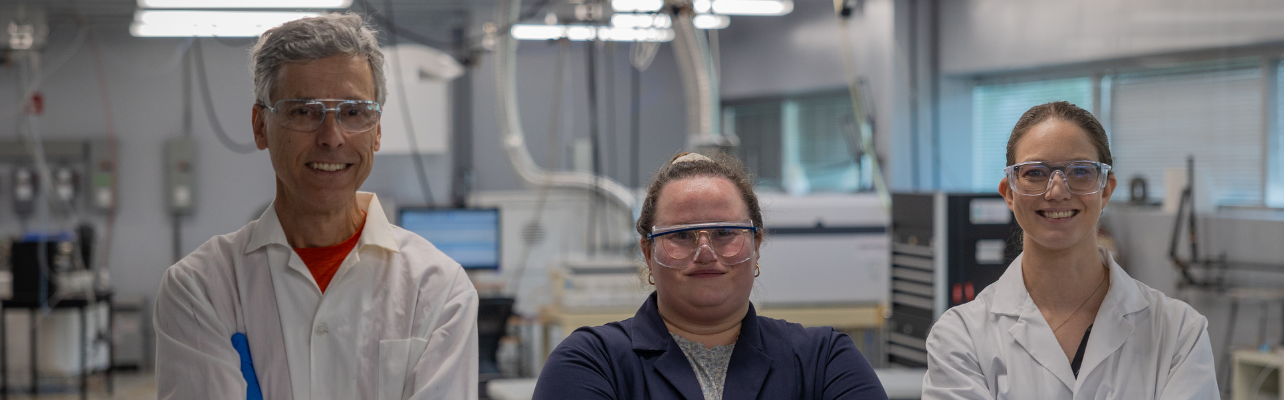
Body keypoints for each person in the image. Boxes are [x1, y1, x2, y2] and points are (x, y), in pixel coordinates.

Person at [153, 13, 479, 400]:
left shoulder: (439, 289)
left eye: (354, 112)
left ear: (377, 131)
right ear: (261, 127)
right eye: (304, 111)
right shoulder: (202, 288)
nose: (331, 137)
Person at [922, 101, 1218, 399]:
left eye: (1080, 171)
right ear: (1009, 193)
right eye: (1035, 173)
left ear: (1106, 190)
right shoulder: (960, 338)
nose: (1057, 191)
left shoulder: (1178, 331)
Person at [533, 152, 887, 400]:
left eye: (725, 233)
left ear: (756, 243)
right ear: (648, 253)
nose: (705, 253)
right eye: (681, 236)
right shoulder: (590, 363)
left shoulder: (824, 360)